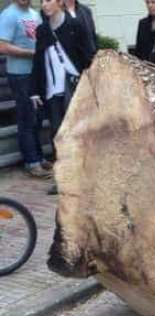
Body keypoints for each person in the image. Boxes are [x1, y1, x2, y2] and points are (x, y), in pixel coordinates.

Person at [30, 0, 94, 194]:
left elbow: (88, 55)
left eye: (48, 0)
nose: (44, 5)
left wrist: (91, 84)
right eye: (42, 2)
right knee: (57, 134)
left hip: (74, 87)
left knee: (79, 132)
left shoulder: (75, 25)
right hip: (52, 89)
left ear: (59, 3)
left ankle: (86, 177)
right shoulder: (42, 30)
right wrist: (34, 90)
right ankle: (63, 180)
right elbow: (39, 59)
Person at [0, 0, 50, 178]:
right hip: (20, 75)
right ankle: (31, 162)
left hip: (35, 74)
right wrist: (32, 53)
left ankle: (39, 157)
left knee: (36, 118)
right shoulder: (8, 15)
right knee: (26, 118)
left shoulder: (34, 14)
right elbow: (2, 46)